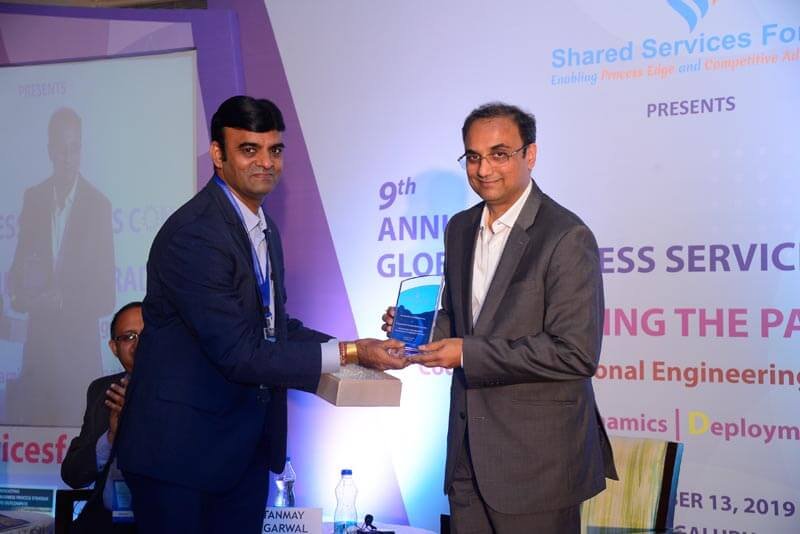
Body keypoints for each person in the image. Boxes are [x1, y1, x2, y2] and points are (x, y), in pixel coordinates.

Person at [117, 95, 407, 534]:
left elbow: (274, 327)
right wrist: (350, 352)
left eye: (275, 150)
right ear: (218, 155)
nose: (266, 163)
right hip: (180, 457)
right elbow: (241, 353)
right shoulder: (196, 234)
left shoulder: (261, 226)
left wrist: (360, 351)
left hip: (238, 451)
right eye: (249, 150)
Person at [383, 102, 617, 533]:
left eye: (499, 154)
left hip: (537, 465)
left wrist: (466, 354)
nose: (484, 169)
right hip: (466, 458)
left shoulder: (566, 235)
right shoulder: (459, 228)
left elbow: (575, 353)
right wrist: (419, 327)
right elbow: (467, 322)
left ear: (531, 155)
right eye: (473, 157)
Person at [6, 107, 115, 426]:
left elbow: (106, 296)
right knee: (35, 444)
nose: (68, 157)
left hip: (79, 362)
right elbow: (18, 277)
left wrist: (63, 301)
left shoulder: (98, 205)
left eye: (74, 148)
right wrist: (23, 296)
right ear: (50, 151)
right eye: (62, 148)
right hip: (38, 358)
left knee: (82, 447)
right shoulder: (34, 199)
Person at [61, 301, 143, 533]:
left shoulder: (185, 393)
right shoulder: (103, 391)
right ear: (114, 348)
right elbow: (73, 475)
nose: (139, 344)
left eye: (147, 335)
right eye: (129, 337)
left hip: (164, 520)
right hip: (105, 519)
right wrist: (110, 438)